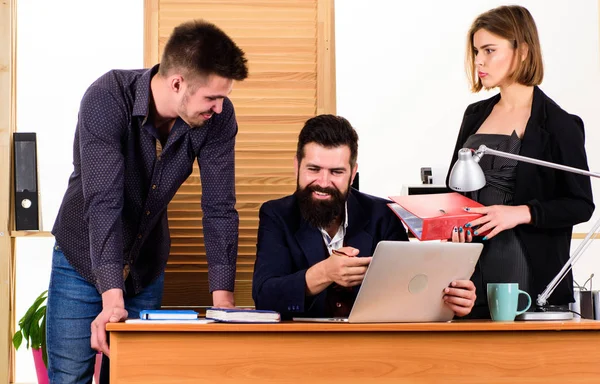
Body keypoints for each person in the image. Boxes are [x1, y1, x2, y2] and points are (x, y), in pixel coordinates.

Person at [46, 20, 248, 382]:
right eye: (211, 98)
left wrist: (224, 303)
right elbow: (104, 202)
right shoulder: (107, 97)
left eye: (223, 97)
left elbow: (219, 208)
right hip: (80, 260)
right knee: (69, 377)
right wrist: (111, 300)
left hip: (144, 266)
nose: (219, 108)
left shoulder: (219, 118)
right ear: (177, 83)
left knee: (133, 376)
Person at [447, 5, 594, 318]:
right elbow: (457, 192)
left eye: (489, 50)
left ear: (523, 51)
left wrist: (520, 213)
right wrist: (449, 224)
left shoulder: (559, 124)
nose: (479, 61)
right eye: (476, 51)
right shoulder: (474, 115)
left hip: (525, 273)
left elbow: (581, 204)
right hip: (469, 272)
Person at [252, 114, 476, 319]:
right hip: (301, 348)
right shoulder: (276, 215)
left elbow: (407, 291)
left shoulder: (383, 214)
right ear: (296, 166)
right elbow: (265, 296)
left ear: (352, 174)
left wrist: (450, 300)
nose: (323, 182)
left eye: (336, 172)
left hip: (375, 348)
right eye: (313, 169)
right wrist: (324, 272)